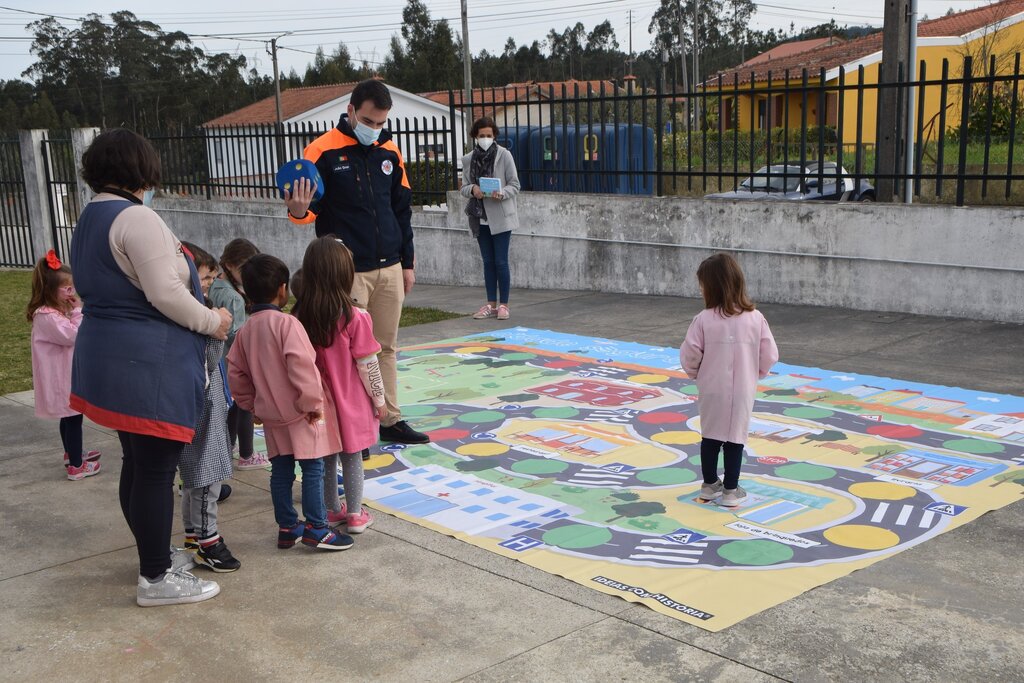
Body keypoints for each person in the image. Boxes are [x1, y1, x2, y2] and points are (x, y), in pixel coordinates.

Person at [70, 128, 231, 607]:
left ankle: (153, 557)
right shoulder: (136, 218)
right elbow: (165, 294)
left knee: (138, 463)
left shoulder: (93, 214)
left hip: (111, 358)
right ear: (142, 169)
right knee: (157, 469)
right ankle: (156, 579)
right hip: (148, 364)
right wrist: (214, 321)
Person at [283, 78, 428, 446]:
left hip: (389, 267)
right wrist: (297, 211)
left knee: (386, 347)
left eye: (381, 123)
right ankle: (351, 429)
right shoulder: (321, 151)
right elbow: (306, 210)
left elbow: (401, 210)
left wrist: (406, 262)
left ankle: (389, 419)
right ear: (350, 111)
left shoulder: (390, 152)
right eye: (369, 121)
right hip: (346, 273)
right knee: (346, 355)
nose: (375, 129)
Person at [226, 254, 353, 551]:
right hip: (300, 413)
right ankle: (317, 528)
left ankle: (287, 526)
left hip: (270, 415)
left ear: (246, 290)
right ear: (282, 289)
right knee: (312, 469)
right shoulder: (287, 324)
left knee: (281, 470)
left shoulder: (245, 331)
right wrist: (312, 404)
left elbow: (236, 374)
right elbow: (302, 366)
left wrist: (252, 406)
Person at [293, 237, 386, 535]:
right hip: (352, 404)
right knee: (353, 457)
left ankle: (333, 509)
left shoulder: (299, 317)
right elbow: (368, 365)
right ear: (345, 274)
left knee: (327, 456)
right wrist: (380, 400)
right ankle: (356, 514)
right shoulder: (355, 317)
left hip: (317, 404)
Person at [680, 253, 779, 508]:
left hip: (711, 388)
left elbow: (690, 352)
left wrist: (695, 373)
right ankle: (731, 490)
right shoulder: (755, 318)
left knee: (711, 435)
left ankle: (710, 484)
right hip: (743, 390)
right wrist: (756, 373)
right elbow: (769, 354)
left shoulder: (703, 319)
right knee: (736, 436)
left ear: (710, 287)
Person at [177, 242, 241, 573]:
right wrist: (219, 331)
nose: (208, 285)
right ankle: (208, 540)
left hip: (206, 405)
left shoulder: (191, 310)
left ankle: (192, 535)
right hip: (203, 407)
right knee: (206, 476)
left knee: (194, 477)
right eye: (204, 278)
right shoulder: (194, 316)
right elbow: (207, 362)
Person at [26, 250, 101, 480]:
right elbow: (73, 336)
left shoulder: (53, 313)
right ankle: (77, 466)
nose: (72, 293)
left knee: (67, 416)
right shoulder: (47, 316)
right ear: (51, 291)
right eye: (67, 289)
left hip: (63, 374)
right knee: (73, 416)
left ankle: (72, 454)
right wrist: (79, 310)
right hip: (60, 378)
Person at [212, 238, 268, 470]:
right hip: (235, 362)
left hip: (218, 362)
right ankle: (246, 455)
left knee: (232, 407)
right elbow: (236, 336)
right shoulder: (234, 297)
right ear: (231, 265)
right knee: (245, 405)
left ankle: (228, 447)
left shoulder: (214, 285)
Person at [460, 116, 521, 321]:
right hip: (479, 217)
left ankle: (504, 304)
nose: (485, 138)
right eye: (481, 135)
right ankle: (490, 304)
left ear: (494, 136)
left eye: (489, 135)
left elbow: (515, 184)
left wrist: (502, 192)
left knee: (501, 261)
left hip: (501, 217)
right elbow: (464, 187)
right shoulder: (468, 159)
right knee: (488, 262)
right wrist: (473, 189)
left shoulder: (504, 155)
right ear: (475, 137)